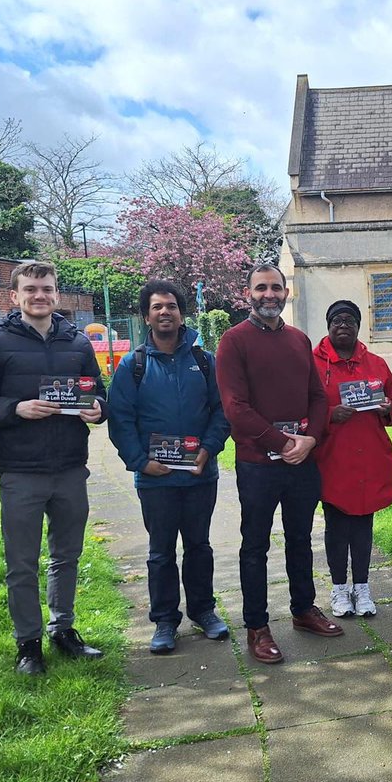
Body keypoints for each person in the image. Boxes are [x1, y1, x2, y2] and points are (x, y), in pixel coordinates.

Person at [0, 261, 107, 675]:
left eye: (46, 289)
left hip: (69, 467)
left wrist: (97, 410)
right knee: (21, 562)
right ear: (15, 296)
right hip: (20, 470)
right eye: (31, 290)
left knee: (67, 555)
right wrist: (15, 408)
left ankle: (63, 629)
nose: (39, 296)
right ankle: (28, 644)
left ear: (56, 294)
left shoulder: (78, 343)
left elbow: (98, 394)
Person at [215, 265, 343, 665]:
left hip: (301, 460)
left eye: (276, 288)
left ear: (286, 292)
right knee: (255, 546)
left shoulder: (298, 340)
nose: (269, 294)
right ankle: (257, 626)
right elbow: (236, 408)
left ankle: (304, 609)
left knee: (301, 538)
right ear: (248, 293)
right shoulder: (233, 342)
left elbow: (318, 398)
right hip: (257, 464)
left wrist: (309, 440)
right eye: (261, 288)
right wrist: (282, 441)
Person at [108, 280, 231, 654]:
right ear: (146, 315)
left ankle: (204, 612)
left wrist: (208, 450)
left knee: (199, 546)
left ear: (181, 313)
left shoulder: (203, 361)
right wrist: (141, 462)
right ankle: (164, 620)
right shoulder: (133, 365)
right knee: (160, 551)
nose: (165, 312)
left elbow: (221, 412)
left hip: (199, 475)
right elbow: (120, 420)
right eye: (158, 307)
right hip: (155, 481)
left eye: (172, 306)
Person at [312, 299, 392, 617]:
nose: (343, 326)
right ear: (328, 326)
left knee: (364, 524)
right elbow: (300, 407)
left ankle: (362, 587)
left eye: (350, 320)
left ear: (358, 326)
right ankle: (339, 589)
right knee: (336, 525)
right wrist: (328, 415)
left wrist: (386, 408)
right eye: (337, 320)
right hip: (333, 458)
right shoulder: (313, 363)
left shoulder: (376, 364)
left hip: (369, 456)